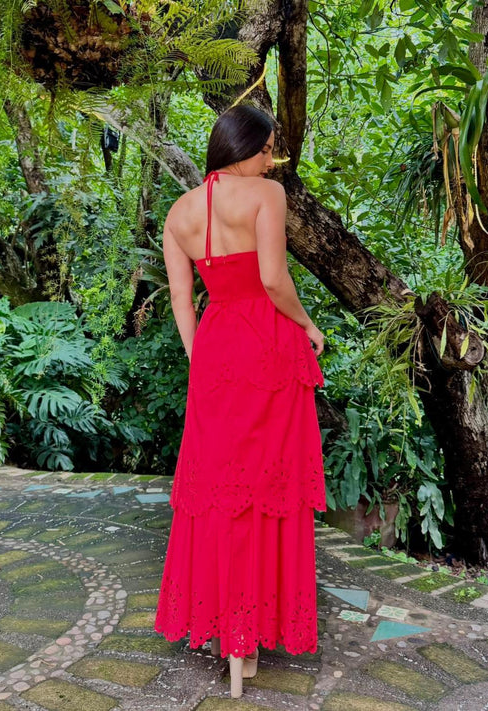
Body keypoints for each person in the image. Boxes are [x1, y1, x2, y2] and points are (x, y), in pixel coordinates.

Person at [155, 104, 325, 699]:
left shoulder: (179, 213)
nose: (271, 161)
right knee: (267, 488)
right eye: (268, 150)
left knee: (218, 490)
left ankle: (229, 634)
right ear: (243, 149)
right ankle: (247, 637)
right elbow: (274, 280)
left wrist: (199, 357)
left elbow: (182, 301)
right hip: (268, 345)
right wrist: (310, 325)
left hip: (216, 348)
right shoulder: (265, 195)